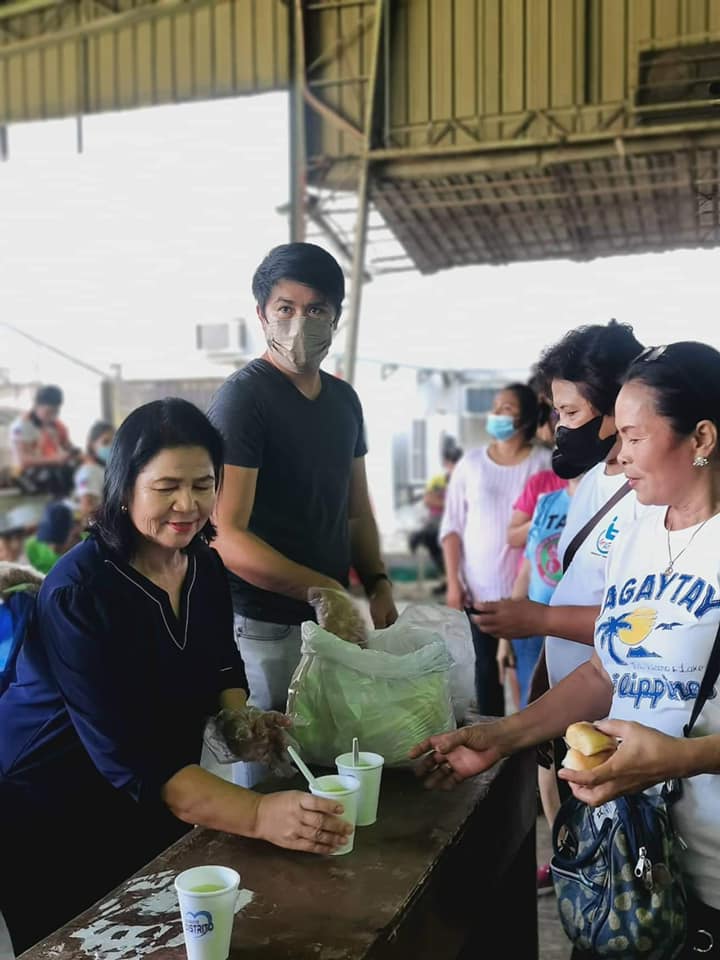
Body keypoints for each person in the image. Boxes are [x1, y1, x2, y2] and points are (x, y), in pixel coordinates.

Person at [0, 398, 351, 954]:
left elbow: (220, 660)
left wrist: (238, 715)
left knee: (166, 936)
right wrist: (259, 813)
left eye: (202, 484)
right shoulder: (81, 592)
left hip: (161, 793)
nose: (187, 505)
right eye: (166, 487)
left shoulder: (202, 564)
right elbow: (129, 758)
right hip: (52, 808)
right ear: (124, 487)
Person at [411, 340, 720, 958]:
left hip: (711, 870)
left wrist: (684, 757)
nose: (620, 454)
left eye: (634, 437)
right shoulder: (638, 534)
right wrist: (501, 737)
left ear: (702, 439)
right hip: (628, 855)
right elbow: (609, 671)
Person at [207, 242, 396, 785]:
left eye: (315, 310)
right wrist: (322, 589)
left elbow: (356, 510)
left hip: (329, 624)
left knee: (328, 761)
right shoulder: (245, 400)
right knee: (269, 770)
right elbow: (227, 534)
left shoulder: (344, 401)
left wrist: (376, 578)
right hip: (264, 626)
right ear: (262, 314)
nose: (299, 324)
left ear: (335, 317)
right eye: (285, 309)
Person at [472, 322, 646, 692]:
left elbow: (644, 620)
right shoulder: (592, 480)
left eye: (570, 412)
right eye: (557, 413)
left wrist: (543, 620)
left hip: (617, 694)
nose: (560, 427)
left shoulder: (648, 493)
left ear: (618, 406)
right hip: (571, 687)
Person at [441, 382, 551, 717]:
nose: (496, 415)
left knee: (527, 677)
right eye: (495, 407)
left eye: (507, 409)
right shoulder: (471, 464)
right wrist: (453, 582)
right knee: (485, 673)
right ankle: (491, 752)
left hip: (528, 596)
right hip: (479, 593)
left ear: (526, 419)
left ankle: (528, 756)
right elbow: (452, 526)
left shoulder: (543, 465)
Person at [408, 441, 463, 591]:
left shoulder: (465, 480)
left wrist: (443, 503)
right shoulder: (438, 480)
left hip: (455, 522)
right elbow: (428, 500)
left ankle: (451, 580)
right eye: (452, 463)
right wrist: (450, 504)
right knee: (433, 538)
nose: (454, 466)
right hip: (436, 520)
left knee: (444, 538)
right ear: (446, 463)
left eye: (457, 462)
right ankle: (448, 579)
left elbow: (465, 505)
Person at [9, 385, 80, 496]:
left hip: (53, 466)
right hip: (25, 473)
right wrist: (54, 459)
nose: (52, 416)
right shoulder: (22, 425)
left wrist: (75, 454)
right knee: (55, 474)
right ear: (36, 406)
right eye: (48, 412)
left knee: (74, 469)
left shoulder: (56, 424)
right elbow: (23, 460)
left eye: (56, 412)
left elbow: (69, 446)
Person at [73, 419, 115, 525]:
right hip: (99, 529)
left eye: (114, 442)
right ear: (92, 445)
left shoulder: (105, 469)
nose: (111, 446)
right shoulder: (90, 470)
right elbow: (86, 505)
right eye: (105, 442)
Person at [24, 500, 76, 574]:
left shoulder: (83, 548)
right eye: (48, 541)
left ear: (72, 531)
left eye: (59, 542)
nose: (53, 547)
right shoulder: (31, 546)